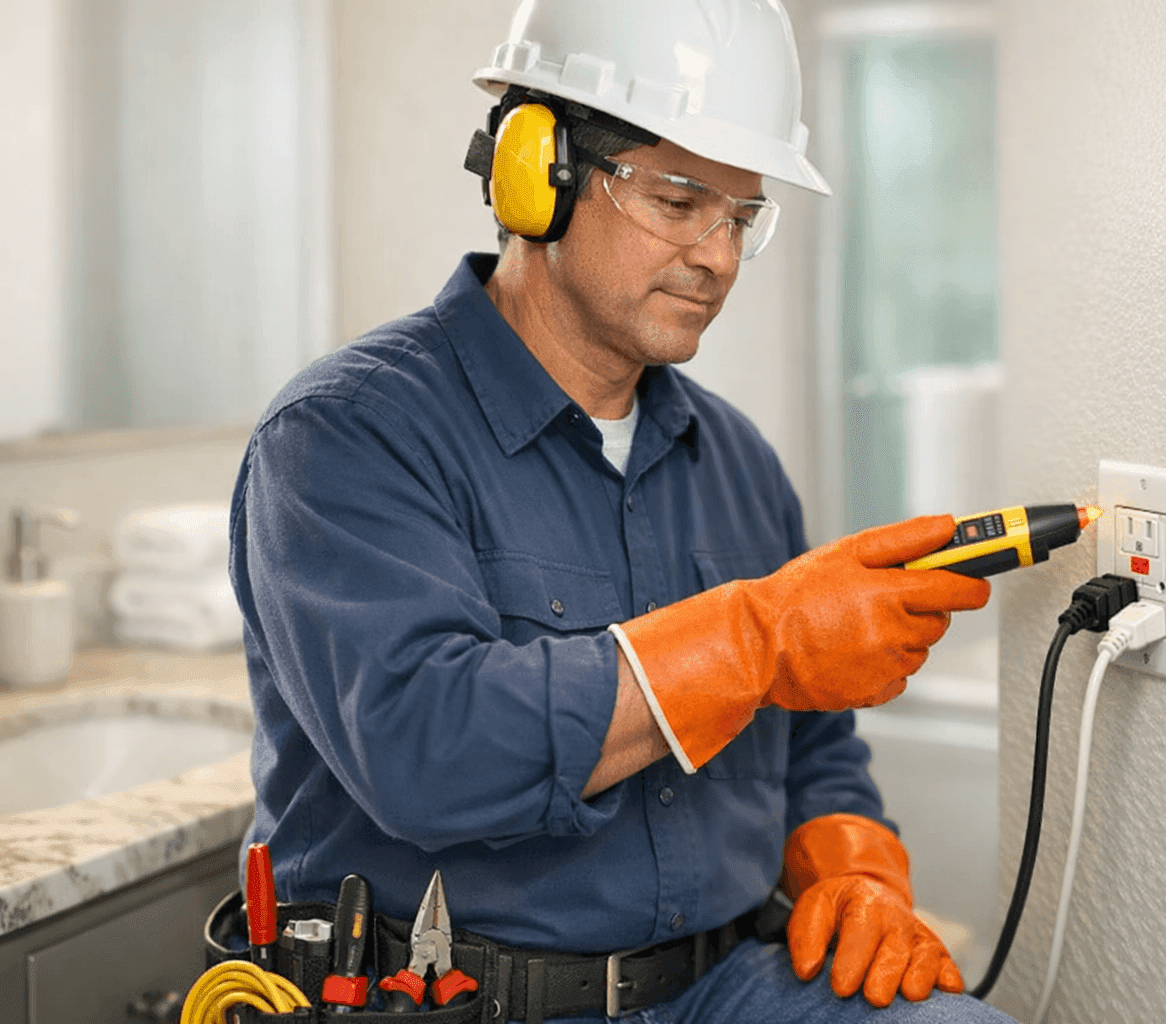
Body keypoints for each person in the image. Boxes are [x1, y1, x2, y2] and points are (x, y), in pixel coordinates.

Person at [231, 2, 1017, 1021]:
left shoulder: (733, 458)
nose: (719, 257)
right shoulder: (345, 436)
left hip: (732, 983)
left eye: (741, 215)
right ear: (537, 172)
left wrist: (850, 859)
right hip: (458, 1001)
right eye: (681, 200)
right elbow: (425, 747)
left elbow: (812, 741)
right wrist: (754, 635)